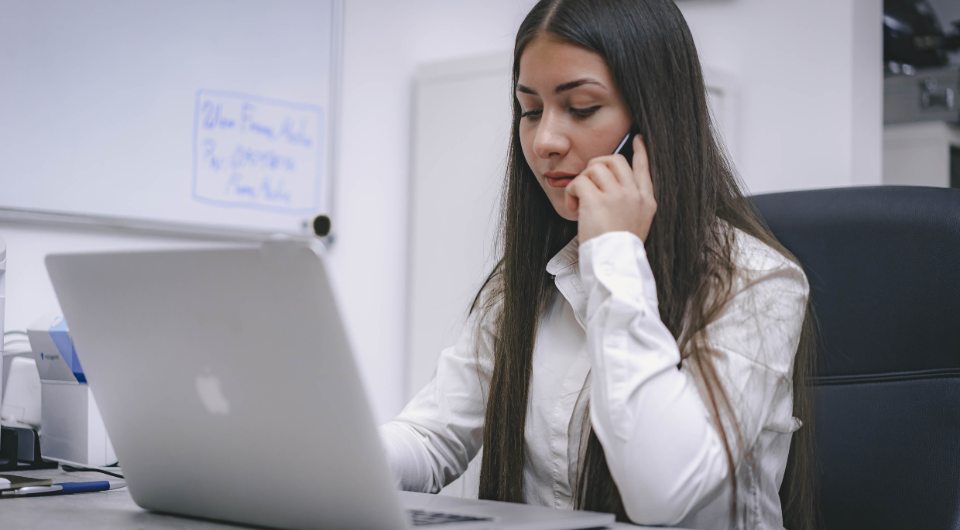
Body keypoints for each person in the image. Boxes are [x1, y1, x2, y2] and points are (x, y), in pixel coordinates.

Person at [380, 0, 815, 528]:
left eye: (582, 108)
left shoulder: (755, 283)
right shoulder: (527, 284)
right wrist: (330, 456)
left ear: (655, 121)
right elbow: (432, 437)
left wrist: (615, 254)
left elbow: (662, 494)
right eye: (531, 110)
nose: (545, 142)